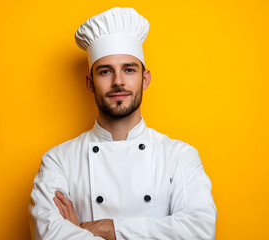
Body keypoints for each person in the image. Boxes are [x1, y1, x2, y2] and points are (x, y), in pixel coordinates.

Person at [29, 7, 217, 240]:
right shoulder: (58, 161)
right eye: (105, 71)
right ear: (90, 83)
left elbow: (199, 231)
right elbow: (48, 236)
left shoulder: (179, 156)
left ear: (145, 79)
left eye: (129, 70)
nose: (118, 82)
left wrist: (106, 228)